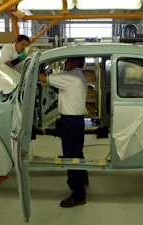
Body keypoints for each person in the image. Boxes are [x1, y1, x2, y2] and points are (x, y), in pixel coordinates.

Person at [39, 57, 89, 208]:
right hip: (77, 121)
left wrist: (38, 67)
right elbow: (58, 89)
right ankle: (83, 178)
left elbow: (42, 79)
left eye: (68, 60)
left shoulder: (70, 77)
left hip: (71, 122)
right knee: (77, 153)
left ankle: (78, 194)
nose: (65, 62)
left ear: (75, 62)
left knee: (71, 157)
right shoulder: (78, 77)